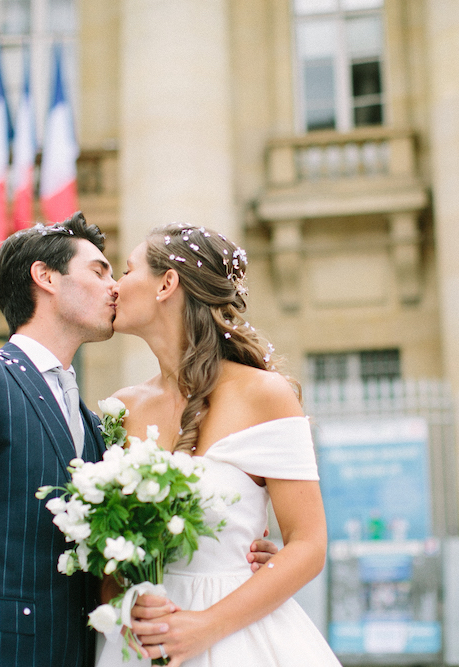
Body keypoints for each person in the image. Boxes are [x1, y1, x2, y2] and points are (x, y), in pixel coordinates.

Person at [0, 213, 275, 667]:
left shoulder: (99, 424)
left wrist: (227, 549)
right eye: (99, 271)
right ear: (45, 277)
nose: (116, 286)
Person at [100, 224, 341, 666]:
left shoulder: (263, 394)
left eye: (128, 270)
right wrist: (122, 601)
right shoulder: (120, 409)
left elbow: (309, 544)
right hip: (142, 639)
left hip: (236, 637)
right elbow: (106, 548)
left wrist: (205, 626)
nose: (115, 286)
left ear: (166, 284)